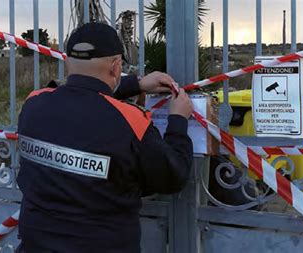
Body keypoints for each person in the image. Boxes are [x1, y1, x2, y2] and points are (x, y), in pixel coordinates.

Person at [16, 22, 194, 253]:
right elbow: (173, 176)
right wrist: (179, 120)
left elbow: (80, 96)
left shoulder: (33, 104)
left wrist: (136, 84)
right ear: (116, 66)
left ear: (68, 63)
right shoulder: (131, 122)